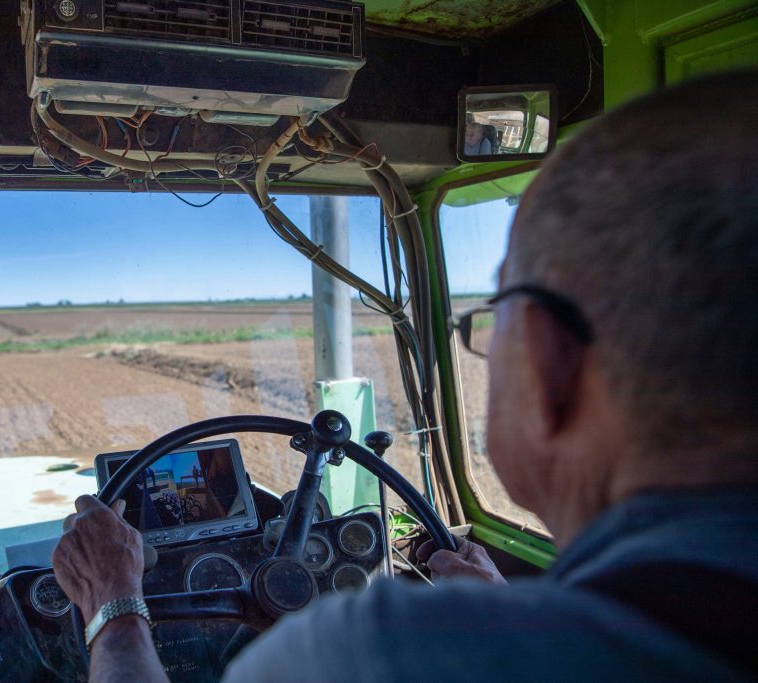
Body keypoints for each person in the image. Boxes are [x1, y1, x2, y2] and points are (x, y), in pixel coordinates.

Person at [52, 70, 758, 681]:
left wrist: (114, 603)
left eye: (494, 314)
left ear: (550, 362)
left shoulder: (371, 657)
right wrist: (495, 607)